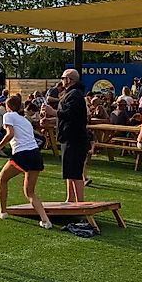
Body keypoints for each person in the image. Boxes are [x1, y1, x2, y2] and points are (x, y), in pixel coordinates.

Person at [0, 94, 52, 228]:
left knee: (2, 178)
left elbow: (10, 134)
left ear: (7, 106)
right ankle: (45, 220)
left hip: (23, 154)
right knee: (30, 192)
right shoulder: (24, 120)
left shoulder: (8, 115)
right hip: (35, 154)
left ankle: (3, 211)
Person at [56, 68, 88, 203]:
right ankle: (70, 199)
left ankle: (80, 203)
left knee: (75, 172)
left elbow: (72, 115)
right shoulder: (73, 93)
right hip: (70, 137)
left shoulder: (74, 94)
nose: (61, 80)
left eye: (63, 78)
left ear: (69, 80)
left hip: (74, 138)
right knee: (69, 171)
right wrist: (52, 119)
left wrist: (54, 113)